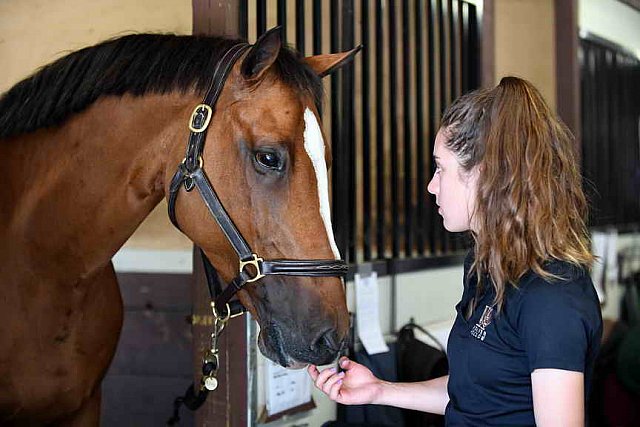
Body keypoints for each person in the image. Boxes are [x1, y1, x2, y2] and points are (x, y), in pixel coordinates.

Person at [308, 76, 603, 426]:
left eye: (440, 167)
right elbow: (477, 393)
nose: (432, 186)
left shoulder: (551, 297)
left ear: (485, 174)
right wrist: (379, 390)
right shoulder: (487, 271)